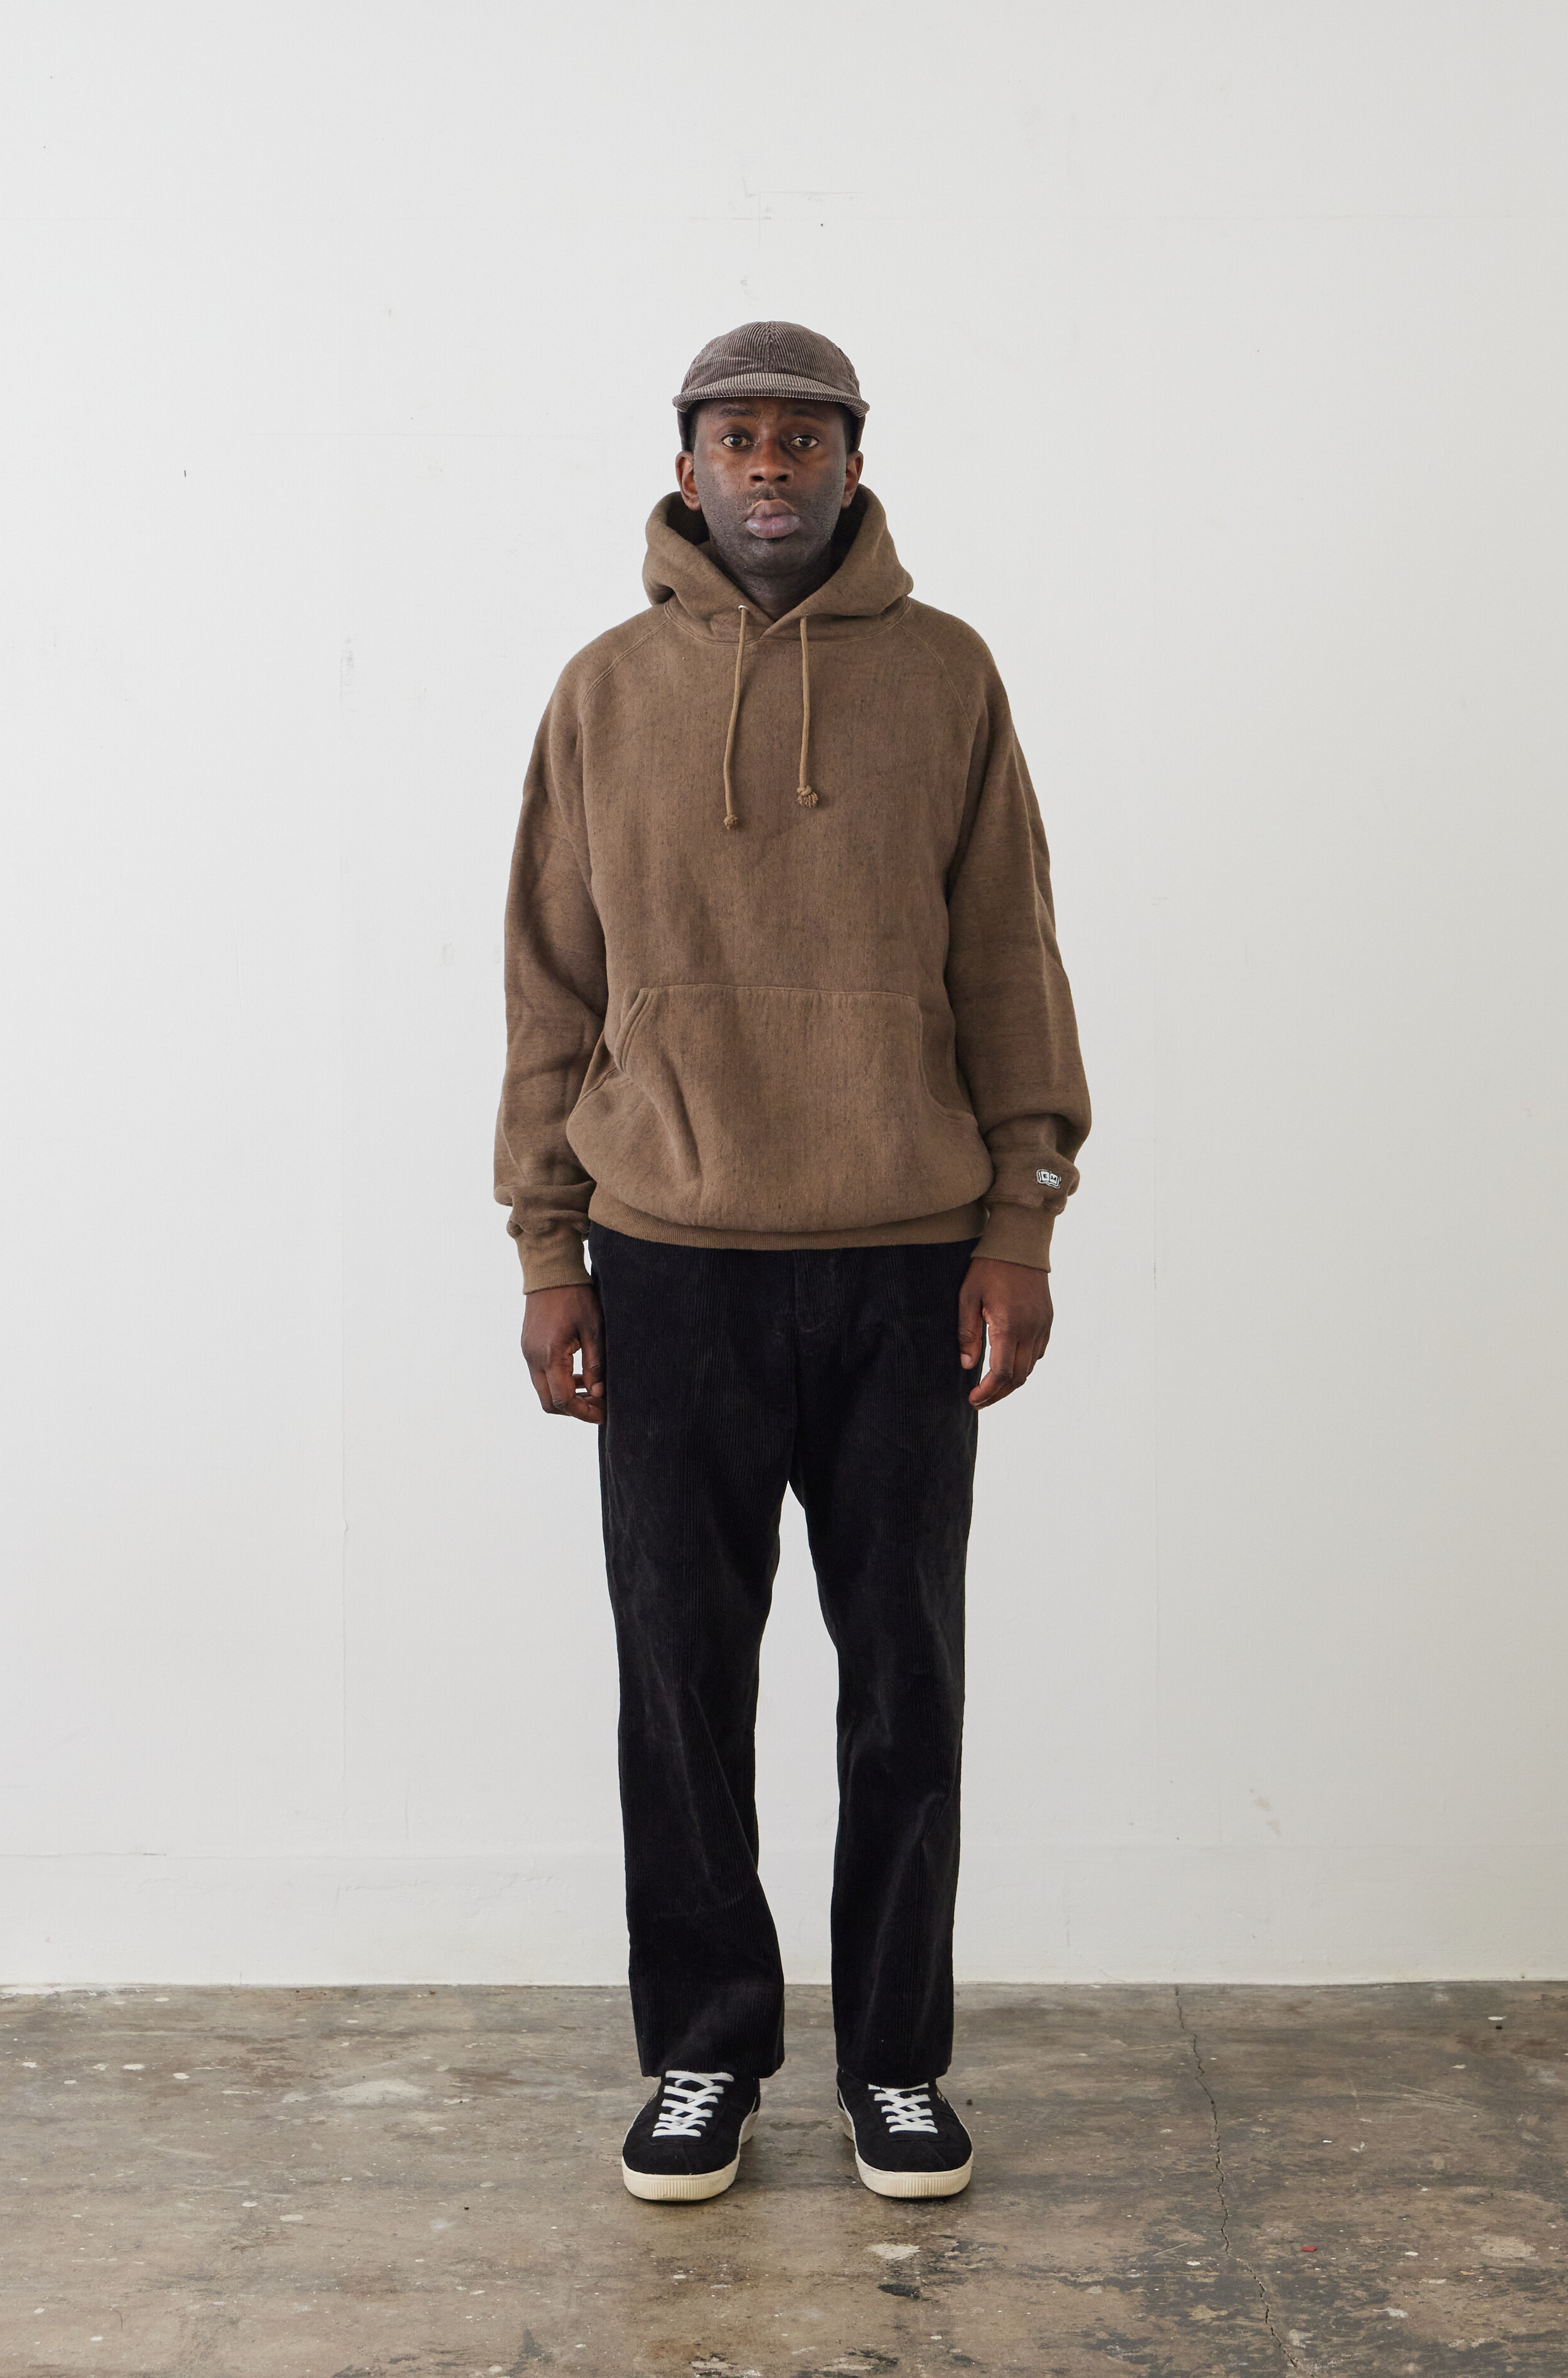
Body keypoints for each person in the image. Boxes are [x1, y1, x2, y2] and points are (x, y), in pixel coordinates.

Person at [495, 321, 1089, 2204]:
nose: (770, 465)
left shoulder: (946, 676)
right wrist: (548, 1249)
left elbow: (1009, 957)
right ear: (686, 466)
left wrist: (1019, 1220)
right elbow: (549, 988)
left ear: (852, 460)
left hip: (907, 1261)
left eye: (803, 437)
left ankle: (894, 2062)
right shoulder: (603, 692)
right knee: (680, 1682)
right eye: (738, 436)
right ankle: (704, 2048)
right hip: (666, 1258)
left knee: (904, 1681)